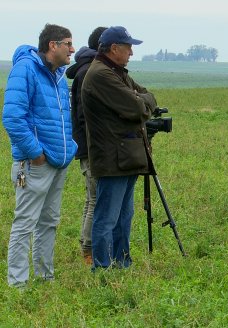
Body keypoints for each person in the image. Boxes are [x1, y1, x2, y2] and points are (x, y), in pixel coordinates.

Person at [2, 24, 77, 288]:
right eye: (68, 43)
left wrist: (70, 147)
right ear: (52, 45)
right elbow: (12, 118)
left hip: (58, 161)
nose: (72, 49)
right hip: (35, 164)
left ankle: (45, 279)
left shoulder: (59, 74)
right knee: (25, 223)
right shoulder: (25, 69)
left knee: (49, 222)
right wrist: (35, 154)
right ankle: (18, 285)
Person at [81, 26, 157, 269]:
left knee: (124, 217)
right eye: (128, 47)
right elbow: (138, 108)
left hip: (125, 156)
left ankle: (122, 262)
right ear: (114, 49)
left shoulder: (115, 71)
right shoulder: (101, 75)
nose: (132, 52)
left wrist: (141, 101)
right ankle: (102, 268)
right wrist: (141, 103)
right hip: (112, 157)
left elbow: (146, 96)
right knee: (107, 218)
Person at [66, 26, 107, 265]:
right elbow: (85, 116)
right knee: (96, 200)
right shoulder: (90, 71)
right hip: (92, 147)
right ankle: (89, 252)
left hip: (86, 145)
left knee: (91, 198)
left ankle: (86, 245)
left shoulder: (85, 68)